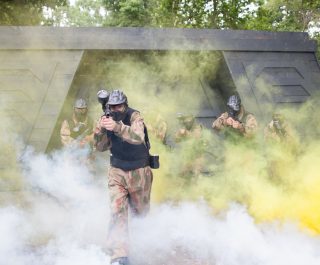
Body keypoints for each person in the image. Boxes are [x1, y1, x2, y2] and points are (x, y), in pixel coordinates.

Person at [94, 89, 153, 265]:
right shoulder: (106, 119)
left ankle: (142, 247)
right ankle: (119, 254)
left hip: (139, 172)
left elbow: (138, 137)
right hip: (117, 171)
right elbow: (100, 147)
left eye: (119, 106)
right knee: (117, 209)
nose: (116, 109)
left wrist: (117, 127)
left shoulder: (135, 117)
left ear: (125, 105)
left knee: (140, 213)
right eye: (112, 107)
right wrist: (102, 130)